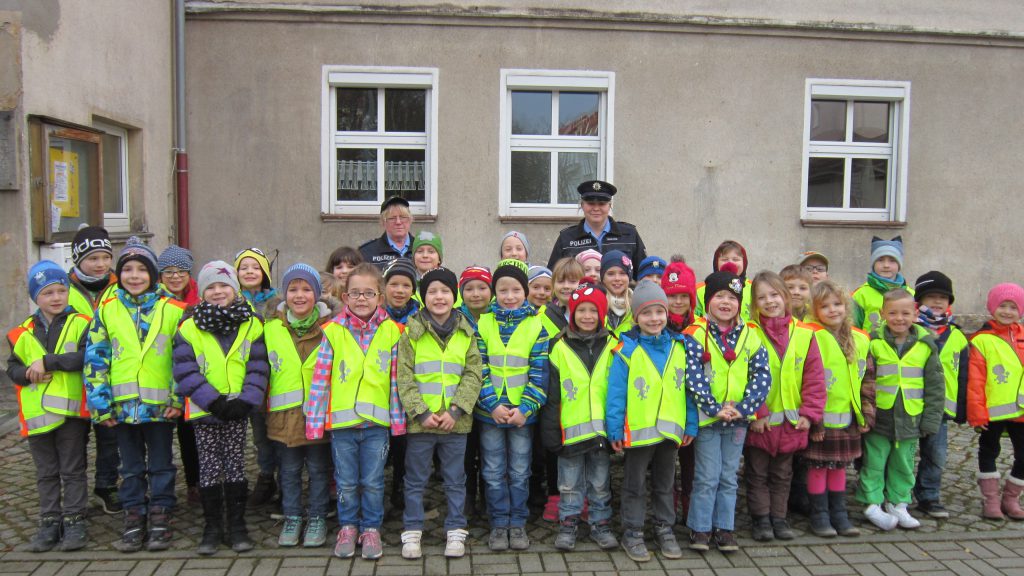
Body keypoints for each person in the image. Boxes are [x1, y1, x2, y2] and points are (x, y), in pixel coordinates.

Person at [84, 237, 187, 552]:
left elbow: (183, 358)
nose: (134, 275)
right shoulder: (107, 311)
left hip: (159, 408)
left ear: (153, 275)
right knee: (128, 467)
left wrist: (177, 398)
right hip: (122, 408)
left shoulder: (173, 310)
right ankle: (133, 514)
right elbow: (95, 359)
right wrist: (100, 405)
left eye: (142, 269)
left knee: (161, 464)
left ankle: (160, 513)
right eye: (127, 269)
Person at [306, 263, 405, 560]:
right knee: (346, 480)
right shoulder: (333, 332)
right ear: (345, 296)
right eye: (355, 293)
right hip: (342, 424)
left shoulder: (393, 332)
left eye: (369, 293)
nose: (362, 299)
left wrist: (398, 422)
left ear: (380, 297)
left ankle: (371, 528)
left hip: (376, 425)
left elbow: (397, 380)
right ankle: (348, 526)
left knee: (373, 481)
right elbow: (321, 379)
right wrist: (314, 422)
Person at [174, 261, 269, 554]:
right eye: (211, 287)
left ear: (235, 290)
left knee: (236, 466)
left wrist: (246, 401)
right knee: (210, 469)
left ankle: (237, 526)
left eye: (224, 286)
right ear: (202, 293)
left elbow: (258, 367)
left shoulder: (252, 323)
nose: (218, 292)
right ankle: (212, 526)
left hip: (238, 409)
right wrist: (213, 401)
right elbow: (185, 370)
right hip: (207, 410)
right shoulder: (188, 327)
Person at [607, 281, 700, 562]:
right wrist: (614, 427)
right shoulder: (626, 349)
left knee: (665, 483)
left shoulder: (680, 346)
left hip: (670, 432)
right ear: (636, 317)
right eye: (646, 313)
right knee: (634, 485)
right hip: (637, 432)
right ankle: (633, 532)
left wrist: (691, 424)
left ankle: (664, 527)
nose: (654, 319)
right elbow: (616, 393)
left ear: (667, 313)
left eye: (659, 312)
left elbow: (689, 391)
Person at [397, 267, 483, 559]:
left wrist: (456, 409)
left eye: (445, 291)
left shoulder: (466, 331)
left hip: (455, 424)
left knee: (455, 479)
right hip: (422, 425)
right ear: (423, 297)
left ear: (454, 296)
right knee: (415, 479)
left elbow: (473, 374)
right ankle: (412, 530)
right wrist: (420, 412)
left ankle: (456, 529)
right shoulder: (411, 333)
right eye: (432, 291)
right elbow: (404, 377)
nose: (439, 296)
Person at [684, 263, 770, 553]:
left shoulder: (750, 335)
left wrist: (744, 408)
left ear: (739, 303)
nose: (725, 303)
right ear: (708, 301)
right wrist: (713, 407)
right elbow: (692, 376)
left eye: (732, 298)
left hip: (738, 420)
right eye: (719, 296)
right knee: (706, 476)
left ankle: (725, 528)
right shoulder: (695, 334)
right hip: (709, 419)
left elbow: (762, 374)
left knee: (728, 476)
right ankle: (700, 528)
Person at [7, 261, 91, 552]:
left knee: (72, 469)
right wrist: (26, 373)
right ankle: (49, 521)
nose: (56, 298)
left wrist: (50, 362)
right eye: (47, 293)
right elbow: (13, 369)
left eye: (60, 291)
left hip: (70, 414)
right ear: (35, 297)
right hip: (36, 416)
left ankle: (76, 519)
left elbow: (85, 357)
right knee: (45, 472)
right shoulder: (20, 332)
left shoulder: (81, 323)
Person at [744, 271, 825, 542]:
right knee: (756, 474)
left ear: (786, 297)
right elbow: (742, 378)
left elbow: (814, 378)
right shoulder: (749, 333)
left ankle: (779, 518)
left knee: (782, 475)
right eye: (762, 297)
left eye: (775, 294)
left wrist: (810, 414)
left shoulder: (804, 334)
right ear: (754, 302)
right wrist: (756, 412)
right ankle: (761, 520)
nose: (770, 301)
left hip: (792, 423)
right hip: (761, 423)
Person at [475, 259, 549, 552]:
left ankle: (517, 523)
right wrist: (491, 404)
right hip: (489, 412)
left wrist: (526, 408)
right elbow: (476, 368)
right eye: (502, 290)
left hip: (522, 415)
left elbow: (540, 372)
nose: (509, 296)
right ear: (495, 293)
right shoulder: (483, 323)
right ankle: (498, 523)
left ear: (525, 291)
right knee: (493, 471)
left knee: (520, 471)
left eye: (515, 290)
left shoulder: (536, 326)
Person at [855, 289, 944, 531]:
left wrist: (930, 420)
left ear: (915, 314)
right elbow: (863, 380)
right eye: (892, 313)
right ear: (882, 314)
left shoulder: (926, 346)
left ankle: (899, 502)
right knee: (873, 462)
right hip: (879, 417)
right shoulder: (873, 343)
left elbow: (936, 387)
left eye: (905, 313)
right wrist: (863, 413)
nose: (899, 318)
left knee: (903, 463)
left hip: (910, 418)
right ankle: (871, 502)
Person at [262, 264, 337, 548]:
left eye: (307, 289)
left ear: (317, 294)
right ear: (284, 294)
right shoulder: (271, 327)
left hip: (318, 416)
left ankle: (317, 517)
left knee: (319, 470)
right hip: (284, 417)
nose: (300, 295)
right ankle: (292, 516)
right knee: (289, 471)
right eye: (293, 289)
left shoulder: (332, 328)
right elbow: (262, 370)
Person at [541, 280, 618, 552]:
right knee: (569, 484)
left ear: (602, 314)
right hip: (569, 432)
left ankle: (600, 523)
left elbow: (619, 392)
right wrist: (551, 432)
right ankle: (569, 523)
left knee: (599, 482)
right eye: (581, 311)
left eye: (593, 311)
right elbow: (551, 397)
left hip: (602, 432)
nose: (587, 316)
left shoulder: (614, 346)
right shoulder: (558, 347)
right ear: (572, 314)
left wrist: (618, 429)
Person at [804, 280, 874, 537]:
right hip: (821, 420)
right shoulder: (811, 337)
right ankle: (819, 515)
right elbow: (806, 381)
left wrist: (866, 413)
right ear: (815, 310)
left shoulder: (861, 339)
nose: (833, 310)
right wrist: (814, 420)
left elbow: (868, 379)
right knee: (818, 467)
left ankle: (839, 512)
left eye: (838, 304)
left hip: (849, 418)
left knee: (839, 467)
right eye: (825, 306)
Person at [66, 225, 121, 515]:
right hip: (72, 378)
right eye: (92, 258)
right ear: (78, 259)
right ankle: (74, 494)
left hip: (109, 376)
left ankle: (106, 485)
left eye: (104, 257)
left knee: (110, 435)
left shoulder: (119, 285)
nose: (100, 264)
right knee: (75, 438)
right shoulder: (63, 288)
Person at [912, 271, 969, 519]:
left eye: (942, 298)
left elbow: (963, 374)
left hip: (942, 408)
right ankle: (895, 494)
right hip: (910, 403)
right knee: (901, 453)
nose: (937, 302)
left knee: (936, 454)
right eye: (931, 297)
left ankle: (928, 495)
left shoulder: (956, 336)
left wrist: (963, 409)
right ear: (920, 301)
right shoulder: (910, 330)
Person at [968, 283, 1024, 520]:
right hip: (991, 411)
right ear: (993, 307)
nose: (1008, 311)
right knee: (989, 450)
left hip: (1021, 411)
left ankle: (1011, 499)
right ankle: (991, 500)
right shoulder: (982, 340)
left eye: (1013, 307)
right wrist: (977, 413)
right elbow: (975, 380)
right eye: (1003, 305)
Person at [234, 247, 281, 508]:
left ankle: (284, 478)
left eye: (255, 267)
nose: (250, 272)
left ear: (265, 273)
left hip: (275, 376)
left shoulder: (276, 303)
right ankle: (265, 476)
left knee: (276, 429)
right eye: (244, 267)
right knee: (259, 433)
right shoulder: (233, 301)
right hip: (245, 378)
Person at [157, 244, 201, 505]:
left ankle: (194, 483)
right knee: (161, 439)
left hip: (192, 378)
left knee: (190, 435)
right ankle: (162, 491)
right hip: (161, 378)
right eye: (168, 271)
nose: (175, 276)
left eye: (181, 270)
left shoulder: (200, 298)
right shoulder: (154, 301)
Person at [661, 256, 697, 522]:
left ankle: (691, 509)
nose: (678, 302)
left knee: (691, 464)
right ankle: (668, 509)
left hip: (693, 405)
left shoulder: (699, 328)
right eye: (672, 296)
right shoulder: (655, 326)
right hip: (665, 404)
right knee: (664, 465)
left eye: (684, 295)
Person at [456, 265, 492, 518]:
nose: (476, 294)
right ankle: (467, 497)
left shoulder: (499, 316)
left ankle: (489, 497)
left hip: (492, 398)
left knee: (490, 453)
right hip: (463, 396)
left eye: (481, 288)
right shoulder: (455, 317)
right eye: (469, 288)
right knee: (466, 454)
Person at [547, 180, 647, 269]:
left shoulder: (629, 234)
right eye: (590, 203)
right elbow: (554, 276)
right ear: (582, 205)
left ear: (610, 205)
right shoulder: (566, 238)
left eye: (601, 204)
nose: (596, 208)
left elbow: (643, 274)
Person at [525, 264, 559, 520]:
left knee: (547, 445)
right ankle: (533, 489)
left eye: (547, 288)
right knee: (532, 447)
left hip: (552, 390)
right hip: (529, 390)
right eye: (535, 287)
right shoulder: (525, 317)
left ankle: (550, 491)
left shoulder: (555, 316)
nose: (541, 292)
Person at [852, 236, 911, 333]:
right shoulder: (861, 294)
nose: (886, 265)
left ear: (899, 264)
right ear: (873, 263)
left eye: (892, 260)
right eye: (880, 260)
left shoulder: (911, 294)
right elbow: (853, 329)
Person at [694, 240, 753, 320]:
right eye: (725, 259)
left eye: (736, 259)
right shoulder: (699, 289)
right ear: (716, 263)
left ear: (744, 263)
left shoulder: (754, 288)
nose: (730, 263)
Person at [359, 196, 416, 269]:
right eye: (392, 218)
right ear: (383, 222)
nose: (398, 222)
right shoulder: (366, 252)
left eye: (403, 217)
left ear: (410, 220)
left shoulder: (422, 249)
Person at [601, 250, 634, 338]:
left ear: (629, 277)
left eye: (622, 273)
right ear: (603, 278)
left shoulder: (637, 304)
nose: (617, 278)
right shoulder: (597, 304)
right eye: (610, 274)